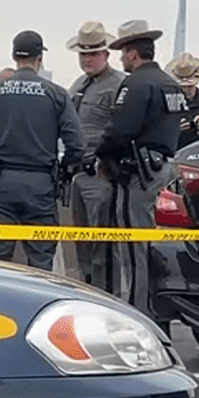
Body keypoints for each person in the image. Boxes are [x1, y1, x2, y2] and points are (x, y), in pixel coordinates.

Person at [0, 30, 84, 271]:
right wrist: (60, 174)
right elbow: (77, 145)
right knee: (40, 263)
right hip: (41, 186)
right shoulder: (56, 94)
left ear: (14, 56)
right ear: (40, 58)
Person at [94, 20, 188, 323]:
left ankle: (139, 313)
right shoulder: (170, 83)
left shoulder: (136, 84)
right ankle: (158, 310)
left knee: (135, 248)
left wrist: (102, 156)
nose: (122, 58)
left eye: (123, 52)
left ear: (133, 53)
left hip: (139, 175)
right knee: (157, 247)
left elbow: (120, 131)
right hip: (163, 171)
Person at [64, 21, 124, 287]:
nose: (87, 59)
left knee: (103, 248)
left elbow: (121, 131)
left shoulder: (119, 85)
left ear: (106, 55)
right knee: (83, 247)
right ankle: (88, 290)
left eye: (93, 54)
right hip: (77, 174)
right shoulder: (78, 84)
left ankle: (105, 295)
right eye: (83, 54)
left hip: (101, 174)